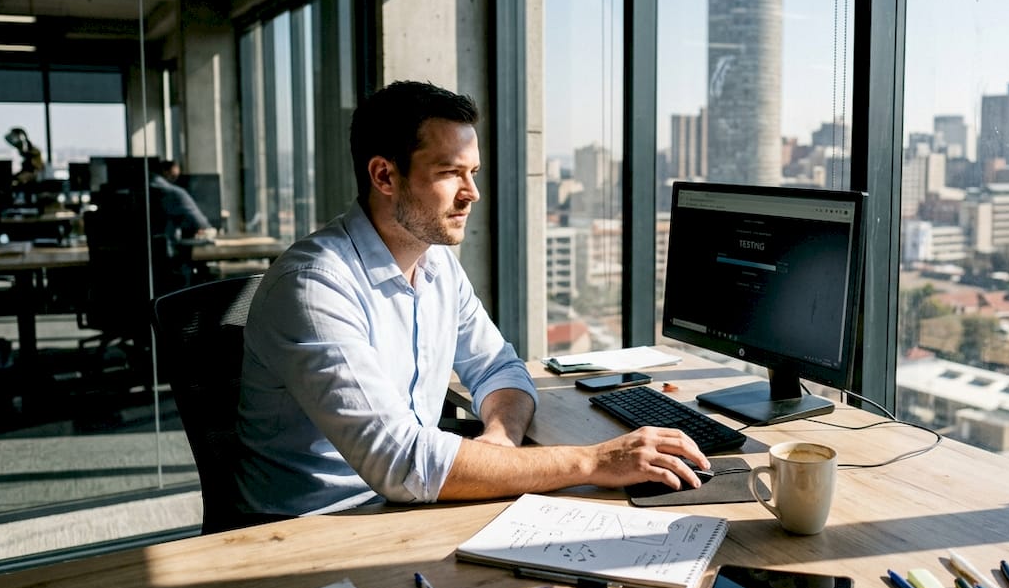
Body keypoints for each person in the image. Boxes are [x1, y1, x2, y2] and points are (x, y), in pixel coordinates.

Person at [237, 80, 707, 517]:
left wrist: (499, 439)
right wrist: (592, 462)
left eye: (473, 172)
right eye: (450, 173)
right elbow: (401, 462)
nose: (472, 193)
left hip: (412, 500)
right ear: (384, 175)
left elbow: (499, 368)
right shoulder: (314, 286)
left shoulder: (437, 266)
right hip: (318, 525)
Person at [149, 159, 214, 290]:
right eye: (174, 176)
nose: (175, 179)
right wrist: (206, 228)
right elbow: (200, 222)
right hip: (168, 257)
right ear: (165, 171)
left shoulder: (145, 187)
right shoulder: (175, 193)